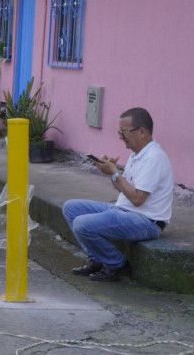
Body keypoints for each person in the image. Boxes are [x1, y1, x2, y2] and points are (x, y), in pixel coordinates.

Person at [63, 108, 173, 282]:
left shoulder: (154, 158)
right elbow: (123, 189)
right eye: (119, 132)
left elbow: (137, 199)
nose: (120, 137)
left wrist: (115, 173)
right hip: (123, 210)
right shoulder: (136, 155)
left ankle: (116, 264)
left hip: (146, 221)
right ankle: (97, 259)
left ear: (142, 132)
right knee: (70, 208)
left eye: (123, 132)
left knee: (82, 223)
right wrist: (111, 172)